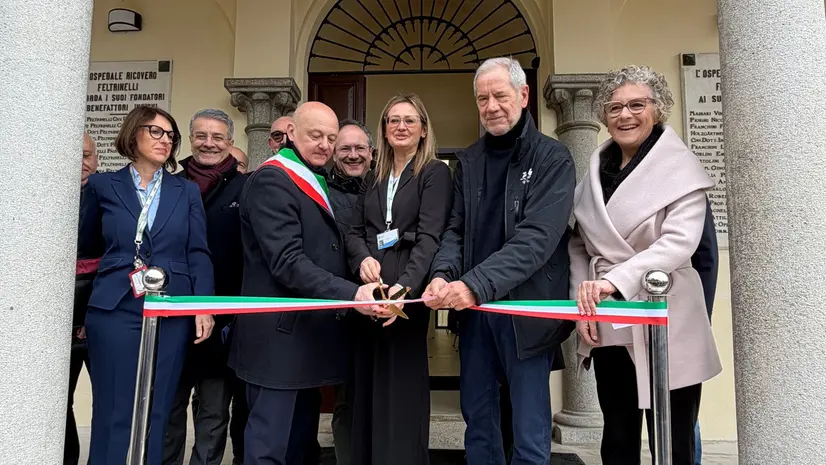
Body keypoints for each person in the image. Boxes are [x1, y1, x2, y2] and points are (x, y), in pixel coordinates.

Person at [423, 57, 576, 465]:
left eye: (500, 96)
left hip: (526, 314)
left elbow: (536, 240)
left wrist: (472, 284)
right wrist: (442, 274)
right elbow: (454, 231)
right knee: (479, 421)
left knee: (529, 430)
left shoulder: (553, 159)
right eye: (482, 98)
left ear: (524, 96)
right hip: (475, 317)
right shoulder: (468, 162)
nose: (491, 106)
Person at [570, 65, 722, 465]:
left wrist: (614, 281)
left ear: (659, 109)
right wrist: (580, 302)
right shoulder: (591, 176)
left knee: (672, 439)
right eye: (615, 107)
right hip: (609, 315)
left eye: (637, 105)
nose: (625, 116)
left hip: (666, 311)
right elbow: (579, 246)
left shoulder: (681, 167)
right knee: (617, 436)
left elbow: (679, 242)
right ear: (603, 116)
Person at [227, 102, 387, 465]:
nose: (325, 145)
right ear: (291, 134)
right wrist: (351, 293)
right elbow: (287, 261)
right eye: (315, 136)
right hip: (277, 344)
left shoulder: (309, 176)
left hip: (302, 341)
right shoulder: (273, 179)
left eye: (331, 138)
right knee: (269, 448)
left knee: (300, 446)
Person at [79, 105, 215, 465]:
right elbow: (86, 246)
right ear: (134, 133)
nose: (165, 140)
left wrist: (203, 305)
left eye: (170, 135)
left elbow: (198, 251)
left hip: (171, 308)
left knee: (159, 408)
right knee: (113, 407)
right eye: (156, 131)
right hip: (114, 307)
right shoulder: (102, 185)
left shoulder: (185, 191)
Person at [345, 94, 452, 465]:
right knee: (367, 383)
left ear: (423, 129)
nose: (401, 127)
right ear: (384, 130)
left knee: (401, 385)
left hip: (406, 294)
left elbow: (430, 237)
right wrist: (361, 261)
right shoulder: (373, 175)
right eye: (393, 120)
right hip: (368, 292)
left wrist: (404, 291)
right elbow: (355, 231)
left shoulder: (435, 172)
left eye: (409, 120)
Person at [163, 109, 247, 465]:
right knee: (168, 409)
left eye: (217, 137)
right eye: (201, 135)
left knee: (213, 415)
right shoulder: (171, 186)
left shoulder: (249, 186)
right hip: (174, 315)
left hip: (225, 320)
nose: (208, 143)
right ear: (190, 138)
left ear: (230, 142)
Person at [327, 118, 374, 465]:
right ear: (333, 152)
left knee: (382, 394)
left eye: (360, 148)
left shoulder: (386, 187)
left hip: (386, 308)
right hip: (343, 310)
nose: (353, 154)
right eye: (345, 148)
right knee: (347, 399)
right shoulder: (322, 193)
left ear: (371, 153)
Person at [65, 132, 98, 465]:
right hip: (54, 321)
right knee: (60, 402)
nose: (82, 162)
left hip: (95, 318)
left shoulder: (107, 197)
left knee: (107, 400)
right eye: (75, 155)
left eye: (87, 155)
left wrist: (89, 316)